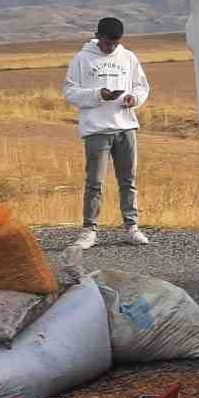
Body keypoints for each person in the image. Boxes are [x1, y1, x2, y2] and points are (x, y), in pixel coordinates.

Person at [63, 17, 150, 249]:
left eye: (115, 42)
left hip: (125, 126)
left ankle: (131, 227)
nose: (111, 47)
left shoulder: (128, 57)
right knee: (95, 182)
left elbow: (142, 87)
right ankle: (89, 230)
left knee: (128, 180)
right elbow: (70, 91)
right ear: (98, 36)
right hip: (97, 129)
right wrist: (99, 94)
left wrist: (134, 99)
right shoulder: (82, 59)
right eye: (107, 42)